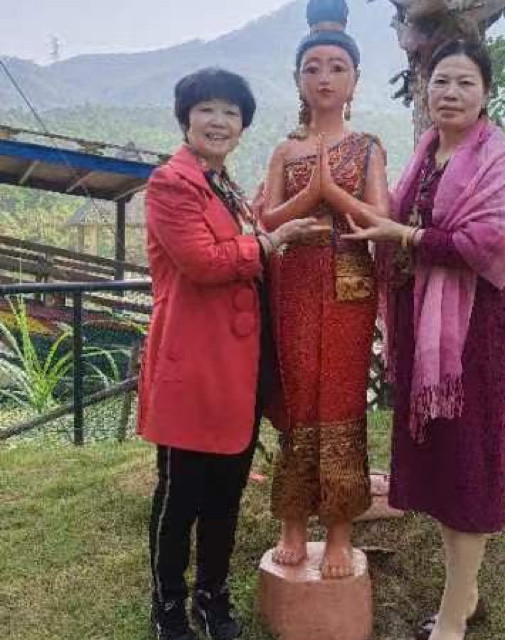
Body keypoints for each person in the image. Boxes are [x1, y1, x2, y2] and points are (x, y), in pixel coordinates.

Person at [343, 40, 505, 640]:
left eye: (465, 83)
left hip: (473, 335)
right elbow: (394, 222)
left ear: (486, 93)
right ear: (425, 89)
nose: (450, 93)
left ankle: (452, 619)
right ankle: (466, 592)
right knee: (445, 465)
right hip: (425, 331)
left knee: (468, 468)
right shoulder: (426, 153)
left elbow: (495, 245)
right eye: (441, 81)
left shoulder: (498, 159)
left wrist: (405, 235)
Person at [137, 67, 326, 640]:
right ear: (186, 118)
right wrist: (269, 242)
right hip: (192, 364)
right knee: (181, 495)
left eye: (230, 113)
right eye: (207, 110)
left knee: (226, 490)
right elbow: (203, 261)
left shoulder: (226, 186)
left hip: (240, 366)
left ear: (242, 125)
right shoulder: (172, 184)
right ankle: (169, 605)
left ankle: (212, 596)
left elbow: (252, 234)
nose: (219, 121)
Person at [260, 0, 390, 579]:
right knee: (297, 401)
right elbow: (265, 221)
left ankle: (339, 530)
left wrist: (330, 195)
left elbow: (380, 219)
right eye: (312, 68)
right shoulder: (284, 150)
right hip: (293, 285)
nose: (325, 78)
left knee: (341, 401)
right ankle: (292, 523)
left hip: (349, 289)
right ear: (297, 80)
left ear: (355, 79)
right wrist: (307, 195)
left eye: (337, 67)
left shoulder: (368, 147)